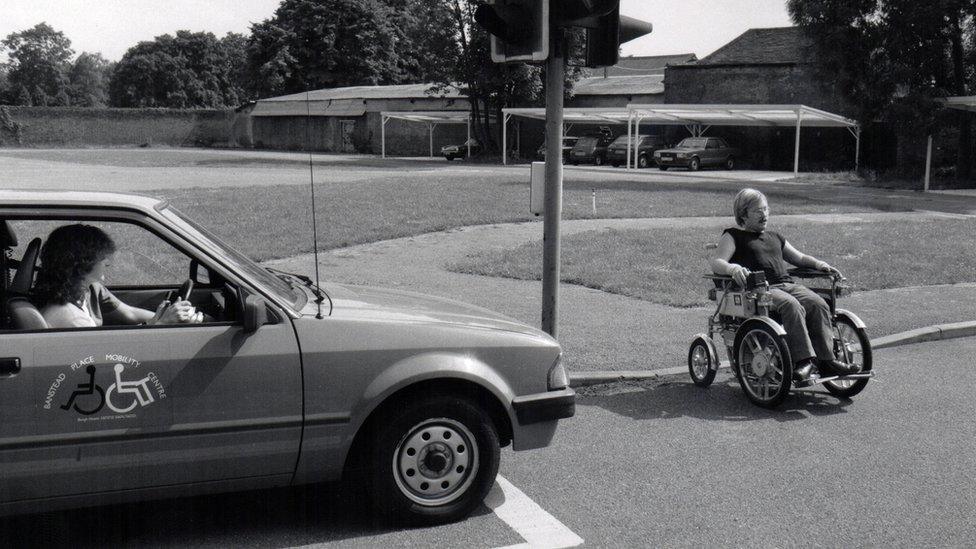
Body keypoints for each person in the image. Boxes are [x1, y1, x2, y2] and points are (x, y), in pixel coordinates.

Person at [709, 188, 858, 385]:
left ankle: (827, 360)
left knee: (818, 303)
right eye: (758, 211)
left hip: (786, 284)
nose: (765, 214)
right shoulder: (733, 235)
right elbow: (717, 261)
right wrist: (733, 268)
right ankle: (804, 362)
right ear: (743, 214)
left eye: (766, 209)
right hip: (759, 290)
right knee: (791, 305)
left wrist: (820, 264)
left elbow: (799, 258)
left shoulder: (775, 237)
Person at [33, 224, 202, 329]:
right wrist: (162, 324)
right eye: (101, 257)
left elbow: (129, 313)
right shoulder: (72, 319)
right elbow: (107, 357)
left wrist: (164, 319)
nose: (107, 260)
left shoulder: (88, 289)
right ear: (82, 265)